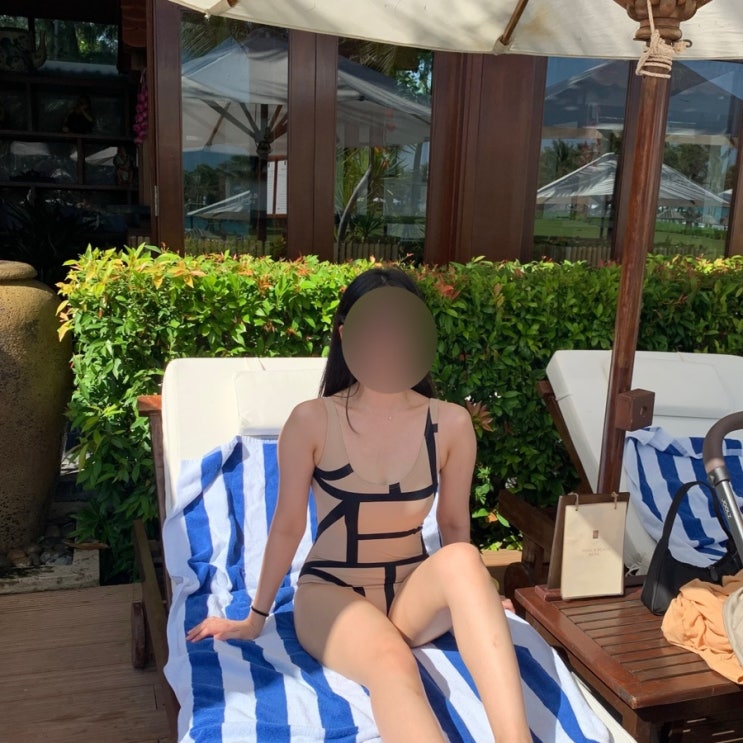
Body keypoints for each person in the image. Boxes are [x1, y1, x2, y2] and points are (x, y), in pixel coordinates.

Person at [187, 267, 531, 743]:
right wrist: (255, 618)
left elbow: (454, 526)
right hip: (332, 594)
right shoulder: (312, 421)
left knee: (466, 559)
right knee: (392, 661)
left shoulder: (450, 424)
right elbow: (287, 526)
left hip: (410, 594)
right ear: (346, 335)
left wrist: (478, 598)